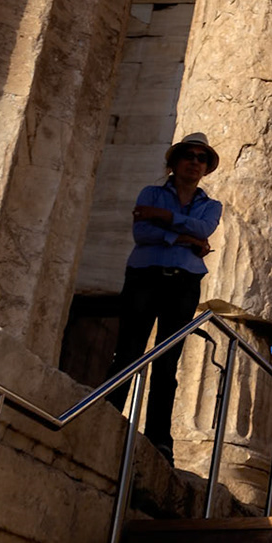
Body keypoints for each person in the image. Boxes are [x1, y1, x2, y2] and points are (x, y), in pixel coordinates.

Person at [106, 132, 223, 458]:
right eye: (189, 155)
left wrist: (165, 219)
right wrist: (183, 238)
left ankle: (160, 436)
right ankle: (106, 415)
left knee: (167, 361)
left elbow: (203, 231)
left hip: (183, 283)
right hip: (145, 275)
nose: (195, 162)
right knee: (127, 350)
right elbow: (142, 233)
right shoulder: (151, 192)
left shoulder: (211, 205)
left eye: (202, 158)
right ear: (174, 162)